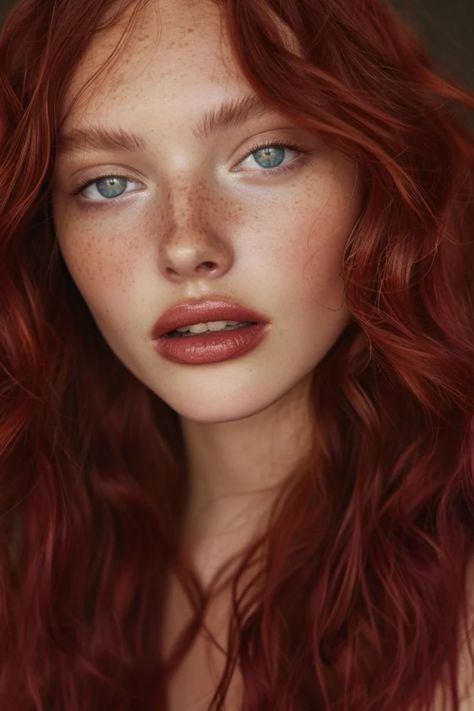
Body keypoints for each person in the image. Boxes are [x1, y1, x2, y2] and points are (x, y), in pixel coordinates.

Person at [0, 0, 473, 708]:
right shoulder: (45, 564)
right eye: (109, 183)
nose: (187, 244)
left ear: (375, 177)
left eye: (266, 154)